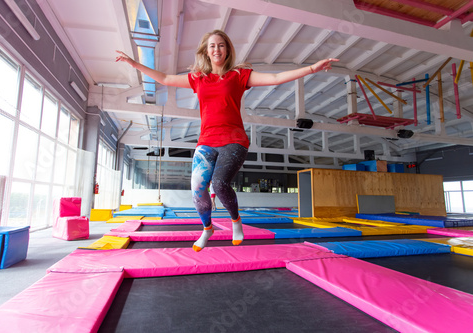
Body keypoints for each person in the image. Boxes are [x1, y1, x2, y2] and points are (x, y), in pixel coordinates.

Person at [116, 30, 338, 252]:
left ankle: (235, 221)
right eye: (212, 46)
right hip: (206, 141)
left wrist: (312, 68)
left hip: (234, 139)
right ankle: (207, 228)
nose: (216, 50)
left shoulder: (238, 75)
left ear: (227, 49)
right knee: (196, 188)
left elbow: (275, 78)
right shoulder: (198, 78)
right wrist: (135, 63)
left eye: (221, 45)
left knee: (219, 183)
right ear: (206, 51)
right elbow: (164, 78)